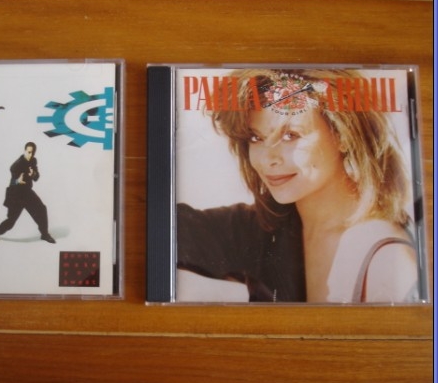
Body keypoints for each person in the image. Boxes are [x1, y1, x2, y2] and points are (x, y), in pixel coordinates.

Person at [177, 68, 419, 303]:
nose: (268, 159)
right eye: (256, 137)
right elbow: (169, 228)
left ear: (343, 135)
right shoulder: (266, 226)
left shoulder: (385, 256)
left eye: (290, 135)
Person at [0, 141, 56, 244]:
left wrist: (33, 174)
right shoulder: (17, 165)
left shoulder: (33, 161)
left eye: (32, 153)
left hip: (27, 193)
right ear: (25, 151)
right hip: (15, 194)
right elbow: (12, 182)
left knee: (42, 209)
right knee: (11, 221)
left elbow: (36, 178)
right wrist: (17, 181)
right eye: (28, 152)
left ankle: (44, 234)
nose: (30, 155)